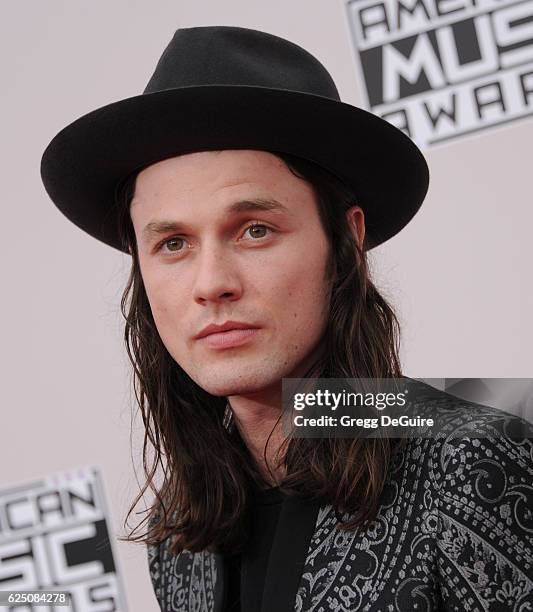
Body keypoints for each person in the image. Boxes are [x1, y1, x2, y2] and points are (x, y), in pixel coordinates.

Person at [40, 25, 533, 612]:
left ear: (347, 242)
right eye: (173, 243)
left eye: (254, 230)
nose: (211, 283)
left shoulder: (475, 455)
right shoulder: (179, 527)